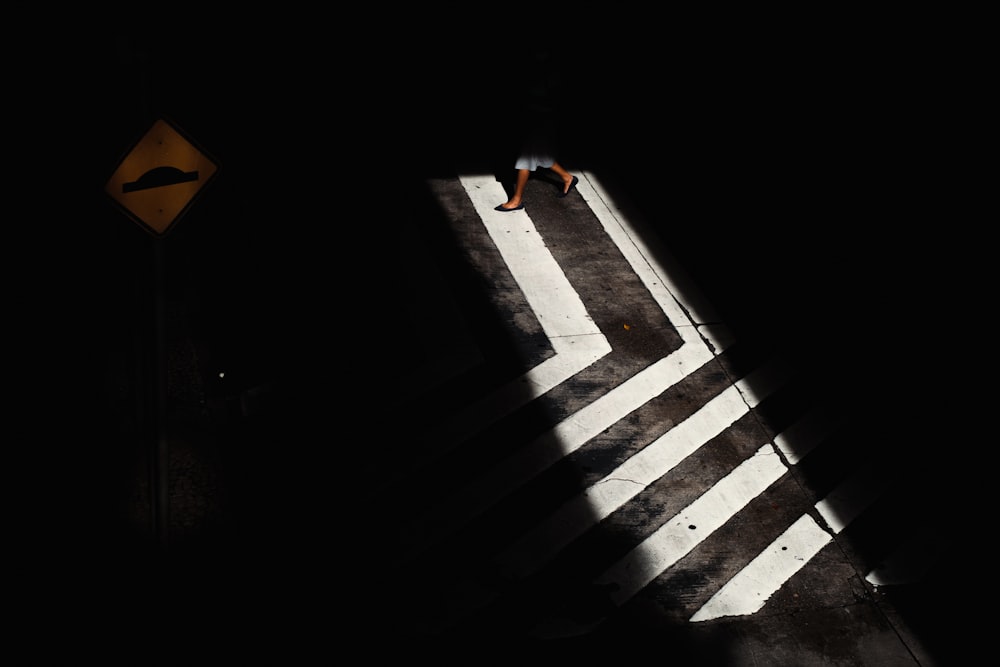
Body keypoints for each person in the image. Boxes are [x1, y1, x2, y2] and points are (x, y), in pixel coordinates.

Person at [494, 48, 579, 212]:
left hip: (541, 122)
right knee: (541, 156)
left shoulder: (552, 77)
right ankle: (567, 177)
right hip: (533, 121)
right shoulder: (535, 73)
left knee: (525, 160)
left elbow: (554, 104)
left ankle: (516, 200)